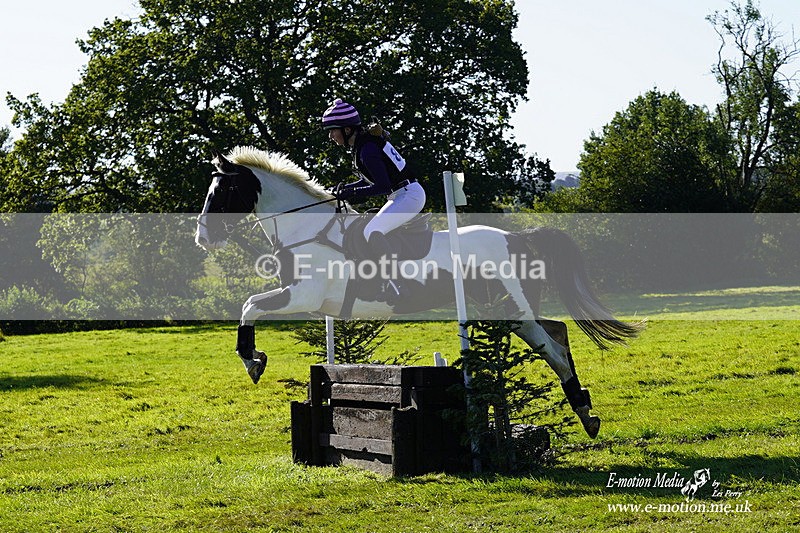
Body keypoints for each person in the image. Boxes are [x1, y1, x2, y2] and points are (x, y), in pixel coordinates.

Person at [322, 98, 426, 299]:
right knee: (367, 228)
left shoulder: (367, 150)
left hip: (408, 195)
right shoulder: (364, 145)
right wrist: (343, 189)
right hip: (400, 194)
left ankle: (397, 282)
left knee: (373, 230)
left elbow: (382, 186)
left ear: (348, 130)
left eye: (333, 130)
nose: (331, 136)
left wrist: (352, 193)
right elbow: (371, 183)